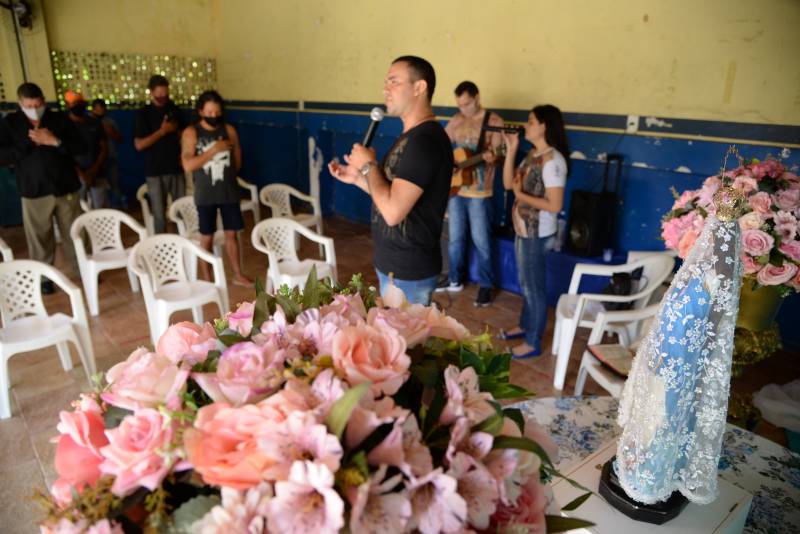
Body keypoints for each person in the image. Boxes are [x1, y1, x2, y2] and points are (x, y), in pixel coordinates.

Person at [328, 56, 452, 305]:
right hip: (395, 264)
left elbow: (393, 212)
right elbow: (392, 195)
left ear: (419, 87)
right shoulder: (411, 137)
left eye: (394, 81)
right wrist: (359, 179)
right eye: (386, 82)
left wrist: (368, 165)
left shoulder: (424, 141)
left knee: (406, 342)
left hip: (409, 269)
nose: (386, 89)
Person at [0, 82, 86, 292]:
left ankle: (82, 269)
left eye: (38, 104)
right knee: (39, 238)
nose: (35, 109)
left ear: (44, 102)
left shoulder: (59, 119)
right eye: (30, 105)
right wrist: (30, 143)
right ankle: (44, 279)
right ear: (20, 104)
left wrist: (55, 141)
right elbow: (2, 156)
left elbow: (80, 147)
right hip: (34, 190)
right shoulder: (10, 123)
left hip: (65, 187)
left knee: (74, 232)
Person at [500, 105, 569, 358]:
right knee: (526, 283)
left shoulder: (553, 161)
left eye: (531, 121)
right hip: (523, 230)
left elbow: (555, 205)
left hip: (537, 233)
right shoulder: (533, 154)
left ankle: (532, 341)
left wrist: (520, 196)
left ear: (544, 126)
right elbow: (508, 184)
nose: (526, 125)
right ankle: (525, 325)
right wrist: (511, 149)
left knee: (533, 288)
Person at [437, 81, 505, 307]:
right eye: (460, 105)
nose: (463, 109)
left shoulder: (494, 122)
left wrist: (493, 157)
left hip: (480, 192)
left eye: (467, 104)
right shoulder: (456, 121)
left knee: (481, 241)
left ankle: (486, 285)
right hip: (457, 190)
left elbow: (500, 153)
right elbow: (443, 146)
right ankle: (455, 279)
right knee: (455, 239)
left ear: (477, 97)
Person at [181, 90, 252, 287]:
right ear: (201, 111)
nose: (214, 116)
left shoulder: (228, 130)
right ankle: (208, 280)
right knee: (207, 237)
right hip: (205, 194)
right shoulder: (191, 132)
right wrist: (214, 150)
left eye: (217, 112)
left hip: (228, 190)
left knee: (232, 234)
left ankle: (237, 274)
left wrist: (229, 175)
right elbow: (188, 165)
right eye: (209, 112)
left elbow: (236, 156)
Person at [134, 75, 185, 233]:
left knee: (180, 211)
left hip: (176, 168)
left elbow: (185, 135)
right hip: (154, 170)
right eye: (159, 93)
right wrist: (162, 132)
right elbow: (139, 145)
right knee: (159, 214)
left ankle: (180, 244)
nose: (163, 97)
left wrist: (177, 131)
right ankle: (161, 245)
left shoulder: (175, 110)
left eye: (165, 93)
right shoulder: (143, 114)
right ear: (151, 93)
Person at [65, 91, 108, 209]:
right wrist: (83, 175)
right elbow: (63, 153)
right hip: (76, 177)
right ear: (67, 105)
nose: (77, 106)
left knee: (100, 211)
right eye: (74, 103)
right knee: (77, 210)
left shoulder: (95, 122)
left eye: (80, 102)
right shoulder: (64, 125)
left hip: (98, 173)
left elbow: (104, 147)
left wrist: (94, 170)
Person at [91, 98, 125, 207]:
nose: (100, 111)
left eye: (102, 109)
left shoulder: (109, 122)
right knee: (98, 189)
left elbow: (120, 139)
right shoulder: (88, 122)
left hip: (110, 158)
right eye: (97, 109)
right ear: (93, 109)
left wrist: (111, 132)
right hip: (96, 162)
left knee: (115, 185)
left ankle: (118, 209)